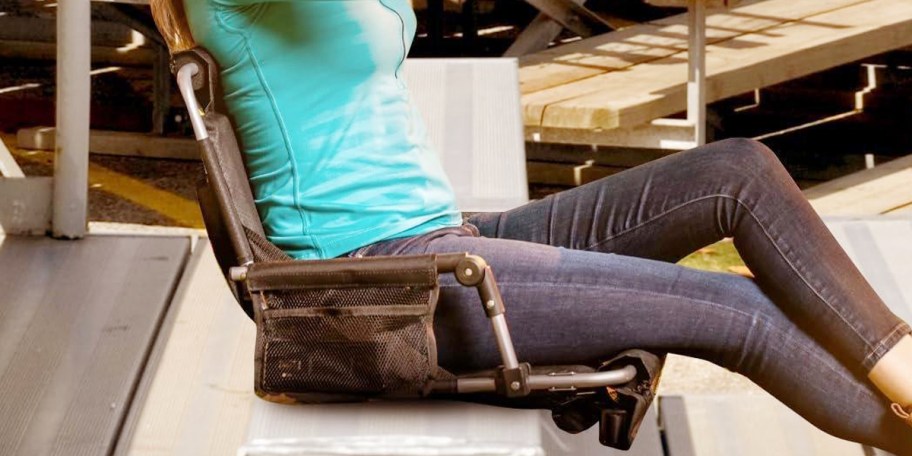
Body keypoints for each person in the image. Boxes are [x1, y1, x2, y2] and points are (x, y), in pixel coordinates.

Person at [150, 0, 912, 453]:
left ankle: (904, 365)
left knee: (734, 173)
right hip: (390, 288)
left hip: (443, 239)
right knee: (736, 312)